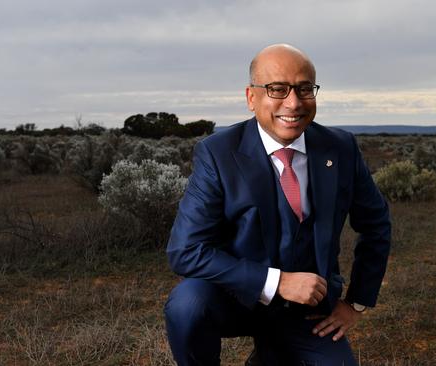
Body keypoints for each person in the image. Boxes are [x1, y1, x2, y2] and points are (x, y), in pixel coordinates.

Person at [164, 43, 391, 365]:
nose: (294, 103)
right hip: (234, 299)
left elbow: (376, 223)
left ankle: (270, 355)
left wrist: (355, 302)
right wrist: (278, 282)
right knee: (187, 304)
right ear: (251, 97)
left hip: (308, 309)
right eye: (277, 89)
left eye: (304, 89)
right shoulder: (217, 153)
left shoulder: (340, 147)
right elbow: (184, 251)